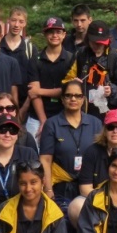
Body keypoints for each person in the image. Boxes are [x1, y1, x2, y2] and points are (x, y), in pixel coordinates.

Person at [68, 109, 117, 224]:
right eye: (110, 127)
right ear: (105, 130)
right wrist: (106, 202)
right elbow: (85, 189)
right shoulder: (92, 151)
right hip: (97, 200)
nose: (115, 131)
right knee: (75, 207)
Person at [39, 80, 103, 212]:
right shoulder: (52, 124)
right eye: (68, 95)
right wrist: (48, 189)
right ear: (62, 99)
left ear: (83, 99)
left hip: (90, 186)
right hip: (61, 187)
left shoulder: (95, 123)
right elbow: (45, 160)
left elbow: (102, 157)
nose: (73, 99)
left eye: (77, 95)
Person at [63, 20, 117, 120]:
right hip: (82, 113)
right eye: (94, 42)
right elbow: (65, 81)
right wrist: (73, 83)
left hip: (108, 114)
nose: (97, 45)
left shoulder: (116, 57)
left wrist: (112, 90)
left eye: (100, 43)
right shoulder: (80, 54)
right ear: (88, 39)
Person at [26, 17, 74, 139]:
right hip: (37, 117)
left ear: (64, 35)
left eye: (58, 32)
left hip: (64, 116)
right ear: (45, 34)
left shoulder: (71, 59)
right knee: (33, 154)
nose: (54, 35)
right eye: (50, 32)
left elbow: (68, 91)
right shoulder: (35, 59)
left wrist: (40, 91)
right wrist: (44, 121)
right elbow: (33, 94)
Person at [0, 7, 38, 122]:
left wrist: (23, 109)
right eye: (14, 20)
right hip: (0, 104)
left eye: (21, 21)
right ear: (8, 20)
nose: (16, 25)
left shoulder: (30, 49)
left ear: (25, 23)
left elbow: (34, 82)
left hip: (25, 105)